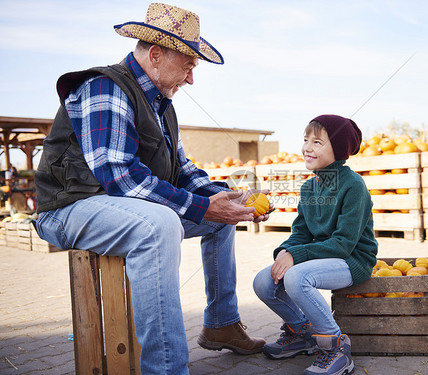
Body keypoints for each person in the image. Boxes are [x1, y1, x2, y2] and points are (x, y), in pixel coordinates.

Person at [34, 3, 270, 374]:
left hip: (117, 206)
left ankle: (221, 323)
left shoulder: (162, 105)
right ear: (156, 55)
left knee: (220, 217)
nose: (191, 78)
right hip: (68, 209)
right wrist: (201, 206)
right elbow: (118, 174)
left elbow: (183, 171)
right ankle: (167, 369)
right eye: (188, 66)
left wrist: (223, 197)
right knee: (158, 225)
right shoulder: (105, 87)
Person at [253, 115, 378, 375]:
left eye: (318, 142)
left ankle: (336, 347)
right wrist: (286, 252)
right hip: (321, 257)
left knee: (297, 278)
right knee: (263, 282)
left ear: (339, 149)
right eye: (306, 139)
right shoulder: (310, 187)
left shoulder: (353, 185)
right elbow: (300, 233)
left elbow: (343, 244)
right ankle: (303, 332)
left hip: (352, 260)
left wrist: (297, 257)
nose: (307, 147)